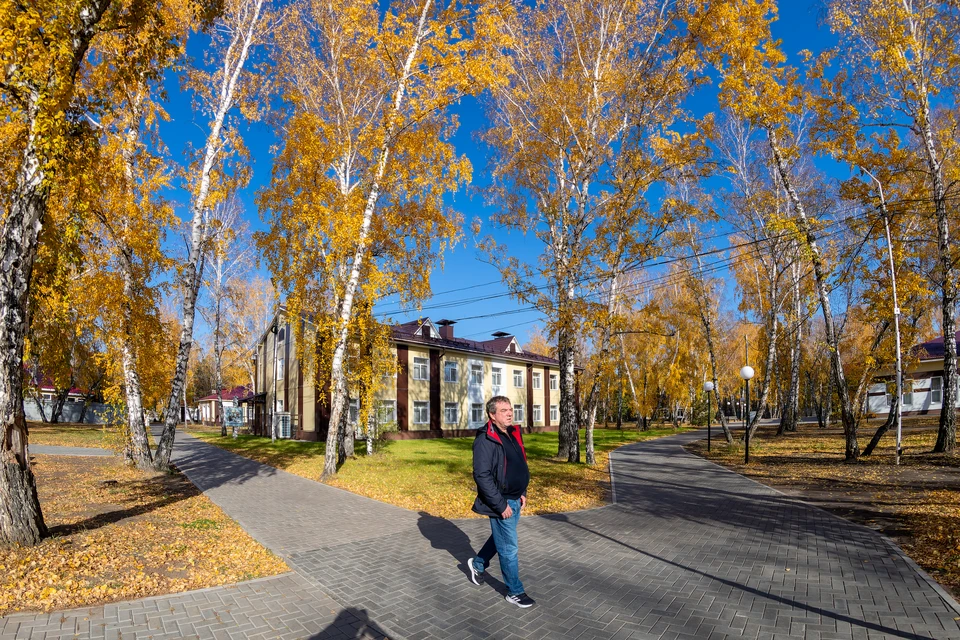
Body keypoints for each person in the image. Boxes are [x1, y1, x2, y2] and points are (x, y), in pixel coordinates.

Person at [468, 395, 536, 608]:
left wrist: (522, 491)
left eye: (510, 409)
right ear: (492, 414)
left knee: (502, 540)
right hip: (502, 502)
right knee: (509, 548)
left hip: (516, 499)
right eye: (504, 410)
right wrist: (501, 505)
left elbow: (519, 464)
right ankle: (514, 592)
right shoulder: (485, 439)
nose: (509, 413)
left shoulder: (512, 433)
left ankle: (478, 564)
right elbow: (482, 475)